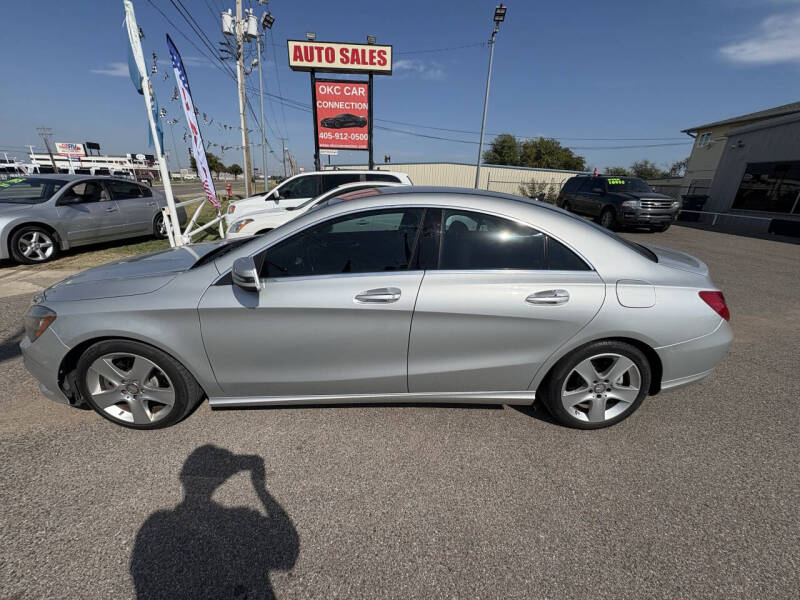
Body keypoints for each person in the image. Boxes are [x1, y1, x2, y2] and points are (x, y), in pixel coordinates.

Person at [130, 445, 299, 600]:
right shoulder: (241, 519)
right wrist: (260, 488)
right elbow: (287, 553)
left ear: (183, 477)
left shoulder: (156, 523)